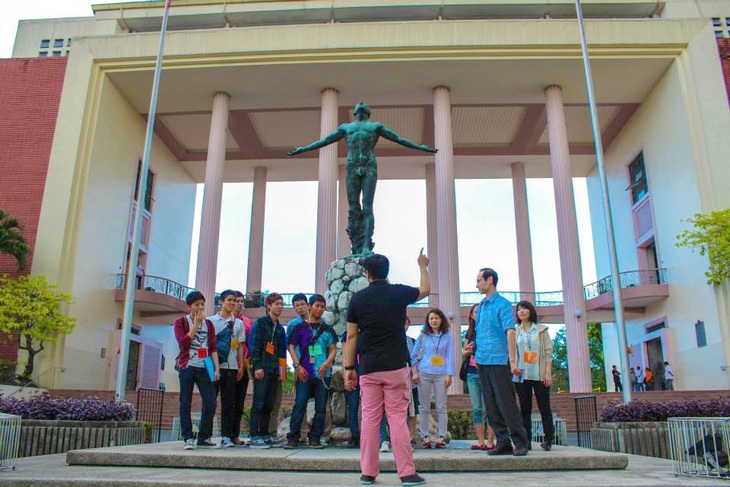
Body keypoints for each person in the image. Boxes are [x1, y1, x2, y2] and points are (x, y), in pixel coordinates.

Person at [288, 102, 437, 255]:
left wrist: (420, 147)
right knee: (353, 208)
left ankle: (365, 246)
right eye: (358, 106)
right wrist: (303, 149)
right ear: (354, 112)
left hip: (369, 166)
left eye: (363, 106)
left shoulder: (375, 127)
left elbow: (399, 139)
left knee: (367, 207)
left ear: (368, 112)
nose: (360, 105)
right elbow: (325, 141)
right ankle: (356, 246)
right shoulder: (346, 128)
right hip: (352, 167)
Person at [343, 251, 429, 487]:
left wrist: (348, 367)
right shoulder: (399, 292)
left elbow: (351, 336)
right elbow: (424, 290)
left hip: (369, 368)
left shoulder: (357, 299)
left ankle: (368, 473)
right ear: (387, 272)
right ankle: (407, 473)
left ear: (367, 273)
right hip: (395, 367)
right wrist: (422, 266)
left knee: (370, 418)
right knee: (397, 419)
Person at [474, 267, 529, 456]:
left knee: (506, 402)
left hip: (499, 360)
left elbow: (510, 332)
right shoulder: (480, 306)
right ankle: (503, 441)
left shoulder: (503, 304)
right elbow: (481, 332)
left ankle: (520, 442)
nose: (477, 284)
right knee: (490, 404)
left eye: (479, 280)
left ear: (490, 280)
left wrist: (513, 361)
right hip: (482, 360)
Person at [285, 294, 338, 449]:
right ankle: (293, 438)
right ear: (310, 306)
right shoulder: (299, 327)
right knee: (299, 405)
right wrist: (297, 366)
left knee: (321, 408)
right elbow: (291, 347)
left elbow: (333, 349)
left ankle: (315, 438)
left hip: (322, 375)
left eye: (322, 307)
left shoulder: (327, 329)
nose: (320, 309)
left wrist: (327, 364)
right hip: (304, 373)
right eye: (317, 306)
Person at [173, 291, 220, 450]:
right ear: (189, 307)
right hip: (187, 366)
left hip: (205, 366)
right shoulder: (181, 322)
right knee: (185, 402)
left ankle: (204, 437)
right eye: (196, 305)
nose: (200, 307)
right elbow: (183, 343)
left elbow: (212, 347)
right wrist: (196, 324)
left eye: (202, 304)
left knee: (211, 401)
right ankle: (188, 437)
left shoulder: (209, 324)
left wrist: (216, 368)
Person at [513, 300, 554, 451]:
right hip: (522, 374)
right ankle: (527, 440)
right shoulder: (515, 331)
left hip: (540, 374)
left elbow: (548, 352)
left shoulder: (541, 330)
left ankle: (548, 439)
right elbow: (512, 352)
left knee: (545, 408)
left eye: (524, 308)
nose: (521, 311)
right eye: (519, 309)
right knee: (524, 409)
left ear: (531, 311)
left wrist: (548, 373)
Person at [411, 308, 454, 449]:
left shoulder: (447, 336)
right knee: (424, 407)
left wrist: (449, 374)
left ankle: (442, 436)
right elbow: (413, 354)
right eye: (431, 318)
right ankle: (425, 436)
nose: (434, 321)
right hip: (424, 373)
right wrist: (415, 372)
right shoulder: (423, 336)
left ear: (441, 319)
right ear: (428, 321)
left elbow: (450, 356)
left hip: (441, 374)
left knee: (441, 406)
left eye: (436, 318)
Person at [209, 289, 247, 448]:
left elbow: (239, 346)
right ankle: (205, 435)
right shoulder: (210, 321)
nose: (233, 303)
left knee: (229, 403)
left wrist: (241, 366)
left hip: (231, 368)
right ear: (221, 301)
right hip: (214, 367)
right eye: (229, 300)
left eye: (235, 300)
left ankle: (226, 436)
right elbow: (208, 344)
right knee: (210, 402)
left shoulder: (238, 323)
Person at [249, 293, 287, 449]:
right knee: (259, 402)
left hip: (273, 370)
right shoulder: (260, 323)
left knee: (269, 404)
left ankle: (265, 434)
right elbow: (255, 346)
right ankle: (254, 435)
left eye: (281, 303)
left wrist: (281, 371)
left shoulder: (279, 327)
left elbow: (281, 351)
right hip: (262, 368)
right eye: (277, 303)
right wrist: (257, 366)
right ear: (268, 306)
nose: (280, 306)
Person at [463, 304, 496, 451]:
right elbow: (464, 353)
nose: (478, 314)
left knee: (490, 407)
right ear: (471, 315)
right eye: (475, 312)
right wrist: (469, 351)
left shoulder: (489, 330)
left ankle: (491, 441)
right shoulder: (469, 333)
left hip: (486, 372)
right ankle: (480, 441)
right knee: (477, 408)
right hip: (472, 373)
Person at [232, 290, 253, 445]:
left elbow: (249, 345)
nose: (238, 303)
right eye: (236, 300)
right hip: (227, 366)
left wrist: (245, 364)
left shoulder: (246, 322)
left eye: (241, 301)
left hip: (243, 365)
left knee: (239, 403)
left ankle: (235, 435)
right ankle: (227, 435)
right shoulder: (223, 320)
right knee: (228, 403)